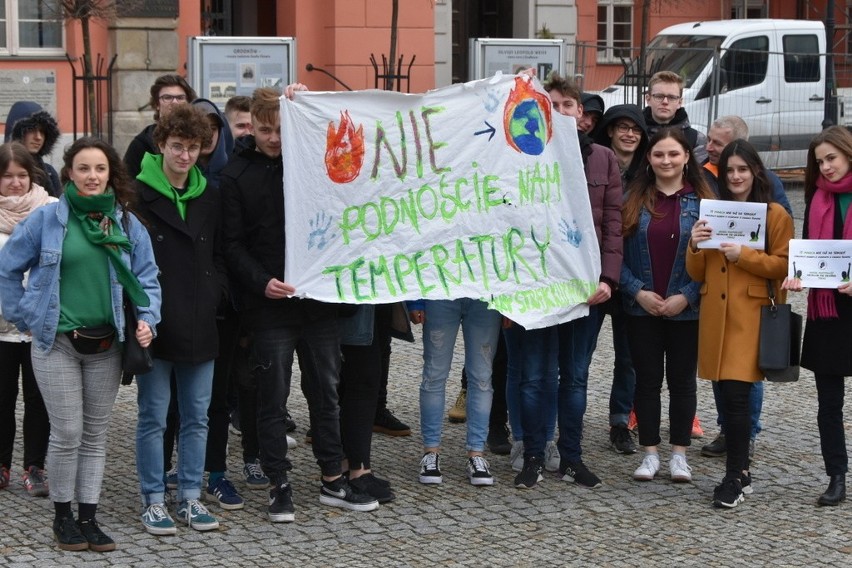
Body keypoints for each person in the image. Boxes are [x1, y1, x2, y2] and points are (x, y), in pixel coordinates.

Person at [221, 86, 378, 522]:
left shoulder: (308, 163)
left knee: (326, 393)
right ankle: (278, 482)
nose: (274, 138)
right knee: (273, 397)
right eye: (265, 130)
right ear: (251, 127)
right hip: (269, 306)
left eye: (280, 129)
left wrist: (307, 100)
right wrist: (261, 282)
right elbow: (231, 245)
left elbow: (347, 171)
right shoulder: (235, 176)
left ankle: (333, 477)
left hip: (316, 304)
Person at [0, 137, 161, 551]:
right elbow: (6, 270)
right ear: (69, 172)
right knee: (68, 431)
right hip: (57, 342)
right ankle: (62, 518)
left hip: (107, 345)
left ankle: (88, 517)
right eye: (84, 168)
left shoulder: (126, 224)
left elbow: (147, 279)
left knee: (94, 434)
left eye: (100, 169)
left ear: (111, 174)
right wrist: (26, 317)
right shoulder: (47, 220)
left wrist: (147, 319)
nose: (92, 176)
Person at [133, 104, 228, 535]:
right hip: (153, 321)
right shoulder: (136, 196)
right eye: (177, 146)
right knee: (154, 415)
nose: (185, 156)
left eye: (192, 148)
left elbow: (220, 254)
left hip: (200, 317)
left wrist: (214, 294)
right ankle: (153, 498)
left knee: (198, 414)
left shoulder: (209, 194)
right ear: (161, 144)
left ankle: (190, 496)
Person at [688, 139, 793, 508]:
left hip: (750, 315)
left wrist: (745, 255)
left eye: (742, 169)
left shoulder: (775, 214)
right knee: (728, 395)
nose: (735, 176)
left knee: (735, 397)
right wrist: (695, 244)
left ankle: (734, 476)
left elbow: (783, 265)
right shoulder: (713, 211)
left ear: (756, 172)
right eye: (730, 170)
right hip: (717, 314)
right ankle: (742, 473)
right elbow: (696, 271)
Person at [620, 127, 714, 484]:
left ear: (687, 157)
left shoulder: (704, 202)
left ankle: (678, 455)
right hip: (641, 305)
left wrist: (687, 295)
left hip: (685, 309)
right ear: (649, 158)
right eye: (659, 154)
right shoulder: (632, 197)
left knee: (682, 382)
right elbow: (614, 253)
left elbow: (714, 259)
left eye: (674, 154)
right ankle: (649, 454)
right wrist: (636, 291)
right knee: (646, 382)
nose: (666, 160)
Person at [543, 73, 623, 488]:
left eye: (566, 106)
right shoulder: (527, 154)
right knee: (536, 374)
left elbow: (613, 222)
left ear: (582, 115)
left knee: (575, 374)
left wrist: (608, 278)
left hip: (587, 287)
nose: (560, 113)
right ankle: (534, 451)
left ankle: (571, 454)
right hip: (540, 286)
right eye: (551, 105)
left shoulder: (603, 159)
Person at [782, 125, 852, 507]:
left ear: (847, 154)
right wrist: (798, 278)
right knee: (829, 402)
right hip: (829, 313)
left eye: (831, 158)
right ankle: (836, 475)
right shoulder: (818, 200)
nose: (825, 167)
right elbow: (810, 257)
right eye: (819, 161)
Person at [592, 104, 649, 455]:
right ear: (610, 130)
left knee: (628, 357)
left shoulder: (648, 171)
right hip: (596, 273)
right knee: (578, 356)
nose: (629, 134)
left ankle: (619, 421)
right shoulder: (594, 161)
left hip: (632, 275)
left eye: (636, 130)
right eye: (622, 128)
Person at [0, 142, 56, 496]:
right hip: (0, 328)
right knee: (2, 399)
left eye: (21, 175)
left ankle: (35, 465)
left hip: (39, 326)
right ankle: (1, 464)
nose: (16, 183)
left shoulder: (49, 210)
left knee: (39, 400)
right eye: (7, 176)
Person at [409, 298, 501, 486]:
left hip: (483, 294)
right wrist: (415, 301)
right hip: (440, 291)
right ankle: (431, 452)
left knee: (482, 377)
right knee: (434, 375)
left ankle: (477, 453)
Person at [124, 74, 197, 180]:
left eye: (180, 98)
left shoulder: (197, 138)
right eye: (167, 97)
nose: (175, 102)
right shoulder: (141, 144)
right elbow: (127, 184)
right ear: (157, 104)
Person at [643, 71, 708, 165]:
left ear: (680, 102)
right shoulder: (635, 135)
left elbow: (697, 176)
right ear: (648, 99)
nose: (665, 102)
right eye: (659, 96)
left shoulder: (696, 139)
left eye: (672, 97)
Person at [4, 101, 62, 196]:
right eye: (31, 130)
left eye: (42, 131)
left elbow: (58, 208)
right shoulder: (2, 167)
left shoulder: (49, 172)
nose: (38, 137)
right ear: (17, 133)